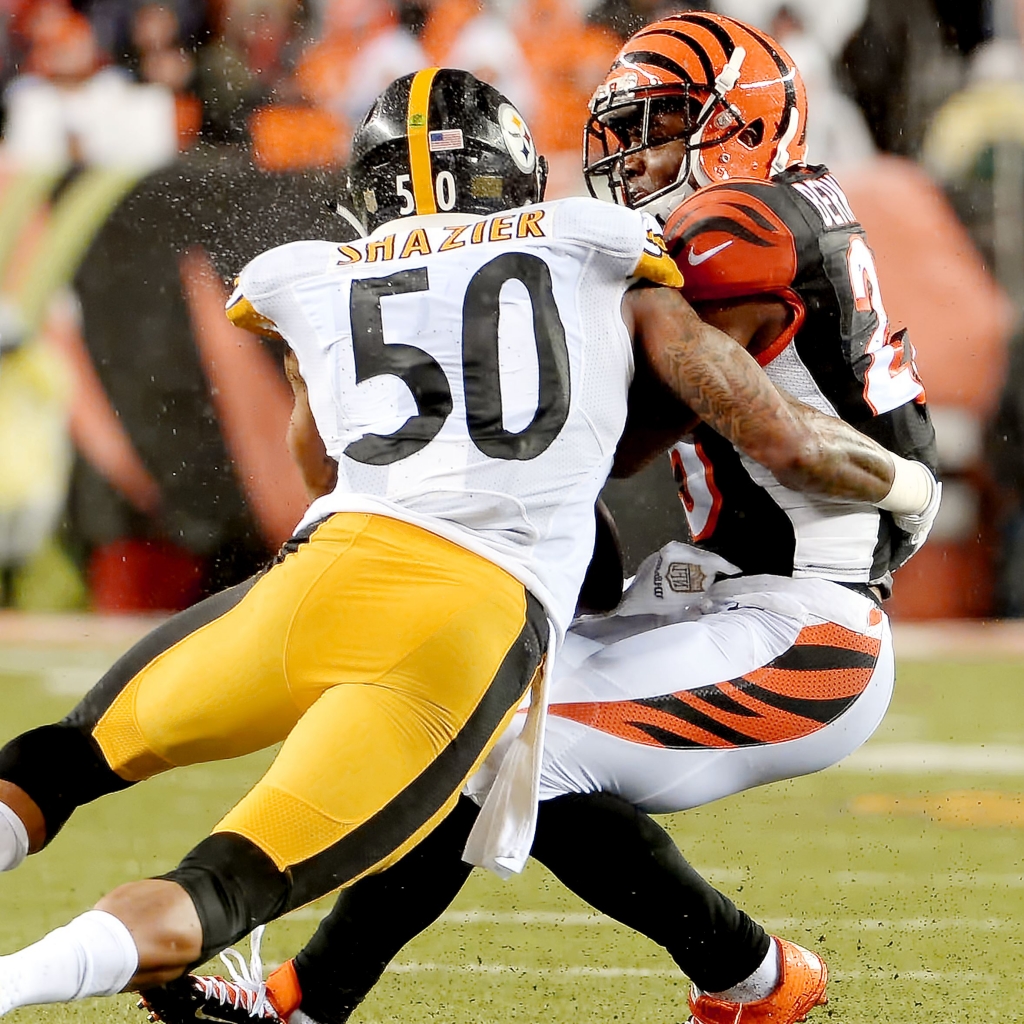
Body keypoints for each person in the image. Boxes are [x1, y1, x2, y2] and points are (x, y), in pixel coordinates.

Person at [0, 65, 921, 1020]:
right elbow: (736, 429)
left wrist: (908, 484)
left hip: (782, 625)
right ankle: (308, 1001)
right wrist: (915, 483)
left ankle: (750, 977)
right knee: (329, 830)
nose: (633, 156)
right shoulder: (604, 249)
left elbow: (321, 468)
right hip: (562, 602)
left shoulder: (315, 271)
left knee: (70, 755)